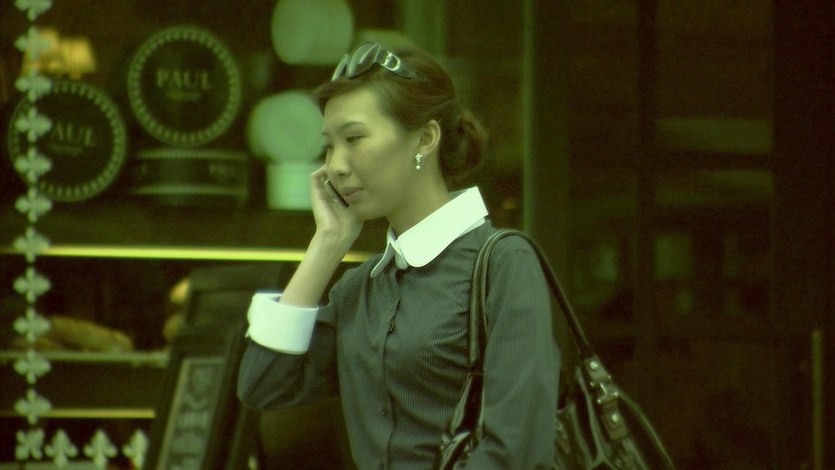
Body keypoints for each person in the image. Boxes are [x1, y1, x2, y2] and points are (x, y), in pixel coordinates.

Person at [237, 42, 559, 469]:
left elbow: (516, 451)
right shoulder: (361, 288)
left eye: (354, 138)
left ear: (425, 138)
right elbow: (262, 386)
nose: (335, 165)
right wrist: (327, 244)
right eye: (329, 146)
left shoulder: (504, 263)